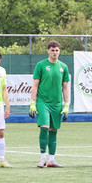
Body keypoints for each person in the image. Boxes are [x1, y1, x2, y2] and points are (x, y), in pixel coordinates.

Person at [31, 40, 71, 168]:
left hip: (57, 103)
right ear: (48, 51)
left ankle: (52, 160)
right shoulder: (41, 65)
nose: (54, 52)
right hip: (43, 102)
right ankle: (43, 158)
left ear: (59, 51)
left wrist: (67, 105)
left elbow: (65, 87)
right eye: (52, 50)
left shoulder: (63, 67)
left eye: (57, 50)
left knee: (53, 130)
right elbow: (35, 85)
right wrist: (32, 102)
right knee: (44, 127)